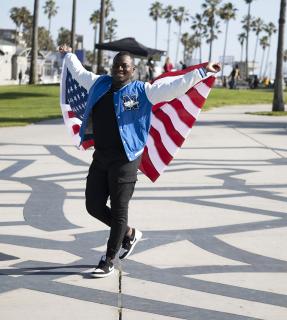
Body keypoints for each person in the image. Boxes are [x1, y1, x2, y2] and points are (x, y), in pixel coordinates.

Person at [59, 44, 221, 278]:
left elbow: (174, 87)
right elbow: (79, 72)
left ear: (133, 70)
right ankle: (129, 234)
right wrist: (69, 55)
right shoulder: (99, 84)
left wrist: (201, 72)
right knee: (92, 205)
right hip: (101, 156)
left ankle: (108, 259)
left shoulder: (144, 90)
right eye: (116, 65)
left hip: (126, 158)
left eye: (125, 66)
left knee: (118, 210)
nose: (120, 69)